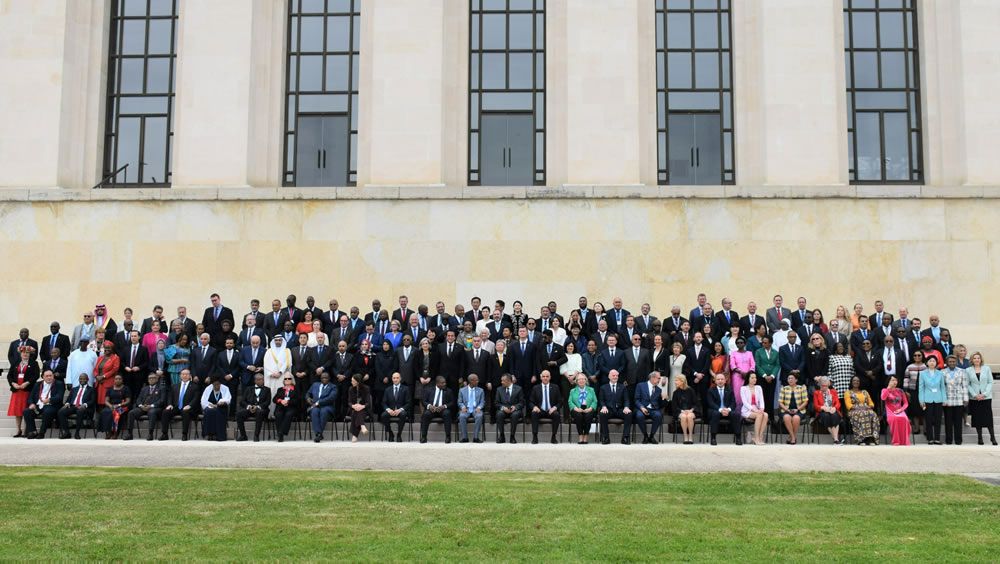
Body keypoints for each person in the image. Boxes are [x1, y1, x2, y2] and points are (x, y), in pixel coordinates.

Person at [22, 370, 64, 439]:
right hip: (38, 405)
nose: (49, 377)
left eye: (50, 376)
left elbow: (59, 396)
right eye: (47, 376)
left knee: (47, 411)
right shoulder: (37, 384)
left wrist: (50, 400)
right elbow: (30, 397)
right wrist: (32, 403)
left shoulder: (59, 383)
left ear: (53, 376)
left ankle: (41, 433)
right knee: (26, 411)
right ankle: (33, 432)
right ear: (43, 377)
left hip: (52, 405)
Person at [123, 373, 165, 441]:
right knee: (131, 413)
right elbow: (138, 399)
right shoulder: (144, 389)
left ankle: (150, 434)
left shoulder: (161, 388)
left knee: (152, 412)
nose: (151, 379)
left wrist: (151, 406)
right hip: (143, 407)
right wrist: (140, 405)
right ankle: (129, 434)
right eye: (150, 378)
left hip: (154, 408)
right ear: (148, 380)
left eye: (153, 378)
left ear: (157, 379)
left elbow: (162, 400)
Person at [159, 369, 198, 441]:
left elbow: (196, 398)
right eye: (183, 374)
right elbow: (170, 397)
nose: (185, 376)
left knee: (185, 412)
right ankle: (164, 434)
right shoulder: (174, 386)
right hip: (176, 407)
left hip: (188, 408)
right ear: (180, 376)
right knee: (165, 412)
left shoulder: (194, 386)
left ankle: (184, 434)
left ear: (190, 376)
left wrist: (190, 405)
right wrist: (170, 404)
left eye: (186, 374)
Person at [966, 352, 996, 445]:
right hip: (974, 398)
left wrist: (984, 394)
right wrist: (975, 395)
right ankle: (980, 438)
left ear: (981, 359)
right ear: (972, 360)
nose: (976, 360)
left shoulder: (986, 368)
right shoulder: (968, 370)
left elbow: (990, 382)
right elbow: (967, 384)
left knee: (988, 418)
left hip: (986, 398)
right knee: (977, 418)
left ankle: (992, 437)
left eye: (978, 358)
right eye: (974, 358)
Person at [7, 347, 38, 437]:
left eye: (27, 353)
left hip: (27, 389)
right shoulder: (15, 363)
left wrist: (27, 383)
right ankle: (18, 430)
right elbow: (9, 375)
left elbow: (35, 375)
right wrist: (13, 384)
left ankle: (25, 430)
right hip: (17, 390)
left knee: (25, 410)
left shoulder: (34, 363)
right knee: (17, 411)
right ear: (20, 354)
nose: (25, 354)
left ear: (30, 354)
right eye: (23, 352)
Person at [598, 370, 633, 445]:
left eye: (617, 375)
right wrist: (603, 407)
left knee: (629, 414)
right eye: (613, 375)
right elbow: (601, 400)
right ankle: (606, 437)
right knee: (602, 414)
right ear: (609, 376)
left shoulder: (623, 387)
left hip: (619, 410)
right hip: (608, 410)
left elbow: (626, 399)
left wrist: (626, 407)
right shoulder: (603, 387)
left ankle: (625, 437)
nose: (615, 377)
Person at [706, 373, 741, 446]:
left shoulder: (730, 390)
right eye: (718, 379)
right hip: (716, 410)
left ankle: (738, 438)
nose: (720, 381)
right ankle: (713, 438)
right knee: (715, 414)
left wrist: (728, 409)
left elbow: (733, 403)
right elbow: (711, 403)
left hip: (727, 411)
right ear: (715, 381)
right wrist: (720, 410)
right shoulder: (711, 390)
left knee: (736, 414)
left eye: (722, 379)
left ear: (725, 381)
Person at [528, 370, 562, 444]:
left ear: (550, 377)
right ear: (540, 378)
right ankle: (535, 437)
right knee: (534, 413)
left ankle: (553, 437)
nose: (545, 378)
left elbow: (560, 401)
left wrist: (555, 407)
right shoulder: (535, 388)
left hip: (551, 410)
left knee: (556, 414)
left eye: (547, 376)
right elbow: (530, 402)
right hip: (540, 410)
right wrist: (534, 407)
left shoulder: (555, 387)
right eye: (543, 376)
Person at [236, 373, 271, 442]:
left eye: (261, 380)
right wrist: (249, 406)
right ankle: (243, 435)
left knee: (259, 412)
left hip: (261, 410)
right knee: (239, 414)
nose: (260, 381)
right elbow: (242, 401)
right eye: (258, 380)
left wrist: (257, 407)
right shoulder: (248, 389)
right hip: (249, 409)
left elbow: (267, 402)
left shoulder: (267, 389)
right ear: (255, 381)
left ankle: (256, 435)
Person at [941, 355, 968, 445]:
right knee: (948, 421)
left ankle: (958, 440)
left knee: (958, 421)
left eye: (953, 361)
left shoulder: (962, 371)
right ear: (947, 362)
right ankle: (948, 440)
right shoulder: (942, 372)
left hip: (959, 399)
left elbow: (964, 385)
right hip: (947, 399)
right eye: (950, 361)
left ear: (956, 362)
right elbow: (942, 387)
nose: (952, 363)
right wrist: (943, 399)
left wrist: (965, 398)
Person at [844, 376, 879, 445]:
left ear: (860, 383)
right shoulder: (848, 392)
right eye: (854, 380)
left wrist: (870, 406)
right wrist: (859, 408)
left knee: (873, 414)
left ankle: (871, 439)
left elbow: (871, 403)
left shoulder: (865, 392)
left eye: (858, 381)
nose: (856, 382)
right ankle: (861, 439)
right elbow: (848, 405)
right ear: (851, 382)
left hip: (866, 409)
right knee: (862, 414)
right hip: (853, 411)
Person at [919, 355, 945, 445]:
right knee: (928, 419)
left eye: (934, 361)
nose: (932, 363)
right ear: (926, 363)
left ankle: (937, 438)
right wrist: (921, 400)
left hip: (938, 399)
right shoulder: (922, 373)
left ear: (936, 363)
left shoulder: (940, 373)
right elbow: (921, 388)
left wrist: (944, 399)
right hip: (927, 399)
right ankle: (930, 438)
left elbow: (942, 387)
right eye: (930, 361)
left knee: (938, 420)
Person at [420, 376, 454, 444]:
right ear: (437, 383)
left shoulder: (449, 391)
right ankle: (424, 436)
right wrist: (429, 406)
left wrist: (444, 406)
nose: (445, 384)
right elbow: (423, 401)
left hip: (443, 410)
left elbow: (452, 402)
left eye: (445, 382)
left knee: (447, 414)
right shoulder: (429, 390)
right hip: (432, 410)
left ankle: (448, 437)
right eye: (442, 383)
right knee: (426, 414)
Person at [633, 371, 664, 444]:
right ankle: (645, 436)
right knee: (639, 416)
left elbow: (661, 404)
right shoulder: (640, 385)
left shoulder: (659, 390)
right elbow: (636, 399)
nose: (659, 380)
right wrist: (642, 407)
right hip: (642, 408)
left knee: (658, 415)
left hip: (653, 409)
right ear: (652, 378)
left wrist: (664, 399)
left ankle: (652, 436)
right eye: (658, 378)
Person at [753, 335, 779, 418]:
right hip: (762, 378)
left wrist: (772, 376)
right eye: (762, 342)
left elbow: (777, 365)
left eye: (765, 342)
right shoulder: (758, 351)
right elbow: (758, 365)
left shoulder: (775, 352)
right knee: (762, 397)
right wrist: (764, 375)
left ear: (770, 343)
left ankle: (771, 417)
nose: (763, 344)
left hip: (772, 378)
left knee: (771, 397)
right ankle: (763, 416)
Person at [306, 372, 337, 442]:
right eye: (323, 378)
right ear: (320, 378)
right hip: (315, 407)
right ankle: (319, 434)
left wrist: (318, 403)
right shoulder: (315, 385)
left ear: (329, 378)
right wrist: (308, 398)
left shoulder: (333, 387)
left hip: (327, 406)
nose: (324, 379)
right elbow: (308, 393)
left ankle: (318, 433)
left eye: (326, 378)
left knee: (324, 411)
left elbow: (331, 398)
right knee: (314, 411)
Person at [778, 373, 808, 445]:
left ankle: (791, 437)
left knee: (796, 418)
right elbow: (780, 402)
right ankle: (793, 437)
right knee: (786, 417)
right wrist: (787, 410)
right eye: (789, 378)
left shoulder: (801, 388)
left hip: (799, 410)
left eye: (792, 378)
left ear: (796, 380)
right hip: (786, 410)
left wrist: (798, 409)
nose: (790, 380)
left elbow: (805, 401)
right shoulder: (784, 388)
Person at [881, 376, 911, 446]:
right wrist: (888, 389)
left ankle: (904, 441)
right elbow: (883, 398)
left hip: (900, 410)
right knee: (895, 419)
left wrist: (901, 409)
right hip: (890, 411)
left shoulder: (900, 390)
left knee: (905, 419)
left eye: (896, 380)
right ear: (888, 382)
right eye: (892, 380)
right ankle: (896, 441)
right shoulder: (884, 390)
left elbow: (906, 403)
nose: (894, 382)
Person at [494, 373, 524, 444]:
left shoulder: (519, 389)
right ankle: (502, 436)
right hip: (504, 410)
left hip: (515, 410)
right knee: (499, 414)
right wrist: (502, 407)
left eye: (503, 381)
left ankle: (512, 436)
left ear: (509, 381)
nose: (501, 382)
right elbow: (496, 403)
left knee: (515, 415)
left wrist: (515, 407)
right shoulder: (499, 389)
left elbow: (522, 402)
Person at [739, 373, 768, 445]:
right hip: (747, 410)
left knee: (766, 415)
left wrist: (762, 408)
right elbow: (745, 402)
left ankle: (759, 436)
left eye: (755, 378)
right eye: (752, 378)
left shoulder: (758, 387)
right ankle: (757, 438)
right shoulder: (743, 388)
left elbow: (761, 399)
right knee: (759, 415)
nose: (754, 379)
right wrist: (754, 410)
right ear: (748, 379)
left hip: (757, 409)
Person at [813, 377, 843, 444]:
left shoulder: (833, 391)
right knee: (827, 416)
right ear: (819, 385)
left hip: (833, 410)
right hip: (822, 412)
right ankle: (836, 438)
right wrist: (823, 408)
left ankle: (835, 439)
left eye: (826, 386)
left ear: (828, 384)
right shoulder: (816, 393)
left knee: (835, 416)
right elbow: (815, 406)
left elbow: (838, 403)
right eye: (823, 386)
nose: (824, 387)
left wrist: (834, 408)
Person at [568, 373, 597, 444]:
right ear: (576, 381)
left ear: (586, 380)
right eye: (579, 379)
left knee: (588, 416)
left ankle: (586, 435)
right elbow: (570, 401)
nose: (581, 381)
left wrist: (590, 408)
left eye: (583, 379)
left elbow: (595, 401)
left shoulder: (591, 390)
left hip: (588, 409)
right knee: (578, 415)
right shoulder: (572, 391)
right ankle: (580, 435)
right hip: (577, 409)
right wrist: (576, 408)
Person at [381, 372, 410, 442]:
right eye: (394, 378)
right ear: (392, 379)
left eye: (397, 378)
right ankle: (390, 433)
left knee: (403, 414)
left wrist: (400, 410)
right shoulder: (388, 389)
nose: (395, 379)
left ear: (400, 379)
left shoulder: (406, 389)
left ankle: (399, 434)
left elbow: (408, 403)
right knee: (383, 415)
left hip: (400, 410)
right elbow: (383, 402)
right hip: (391, 410)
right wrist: (388, 410)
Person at [99, 374, 130, 439]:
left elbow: (128, 401)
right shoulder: (110, 389)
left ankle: (115, 432)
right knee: (104, 412)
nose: (118, 380)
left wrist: (119, 405)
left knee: (116, 413)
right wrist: (110, 406)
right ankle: (109, 431)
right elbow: (106, 401)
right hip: (112, 406)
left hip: (122, 406)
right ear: (114, 380)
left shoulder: (126, 388)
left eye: (119, 379)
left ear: (122, 380)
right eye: (116, 379)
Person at [903, 350, 927, 433]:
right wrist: (906, 391)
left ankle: (926, 429)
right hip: (912, 391)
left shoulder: (926, 366)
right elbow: (906, 379)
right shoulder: (909, 367)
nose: (917, 357)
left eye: (919, 355)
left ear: (922, 356)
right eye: (915, 355)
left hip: (924, 391)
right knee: (914, 410)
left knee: (924, 409)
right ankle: (916, 428)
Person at [458, 373, 486, 443]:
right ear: (471, 381)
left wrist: (479, 407)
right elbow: (459, 402)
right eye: (476, 380)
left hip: (476, 408)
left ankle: (476, 438)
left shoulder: (481, 390)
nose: (478, 381)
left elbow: (482, 402)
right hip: (466, 409)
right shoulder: (462, 390)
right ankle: (465, 438)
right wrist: (463, 407)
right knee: (462, 416)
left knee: (479, 416)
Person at [728, 337, 754, 412]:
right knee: (737, 395)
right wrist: (741, 372)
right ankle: (738, 415)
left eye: (741, 342)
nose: (739, 344)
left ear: (745, 344)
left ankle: (748, 415)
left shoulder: (749, 353)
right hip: (737, 376)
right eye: (738, 343)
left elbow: (753, 365)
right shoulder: (733, 353)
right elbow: (732, 365)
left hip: (749, 377)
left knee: (748, 394)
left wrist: (748, 374)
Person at [671, 375, 698, 444]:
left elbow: (696, 403)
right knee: (683, 416)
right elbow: (674, 406)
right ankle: (685, 436)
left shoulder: (691, 390)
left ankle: (690, 436)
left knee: (689, 416)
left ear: (682, 381)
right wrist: (682, 411)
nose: (675, 382)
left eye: (677, 380)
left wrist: (691, 410)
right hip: (680, 411)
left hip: (691, 410)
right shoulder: (675, 393)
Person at [272, 375, 298, 442]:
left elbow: (297, 400)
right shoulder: (280, 389)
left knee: (288, 414)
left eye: (289, 378)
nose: (287, 380)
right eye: (285, 379)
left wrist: (288, 402)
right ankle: (280, 435)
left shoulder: (296, 389)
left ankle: (281, 432)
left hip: (291, 407)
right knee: (278, 414)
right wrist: (281, 401)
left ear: (292, 380)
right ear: (283, 380)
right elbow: (274, 399)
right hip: (281, 407)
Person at [346, 373, 371, 443]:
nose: (351, 382)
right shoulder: (350, 389)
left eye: (353, 381)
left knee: (357, 412)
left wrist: (361, 406)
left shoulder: (366, 388)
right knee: (355, 411)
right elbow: (349, 402)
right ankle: (362, 426)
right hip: (353, 409)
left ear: (358, 382)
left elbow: (368, 403)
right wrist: (353, 406)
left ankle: (355, 435)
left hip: (364, 409)